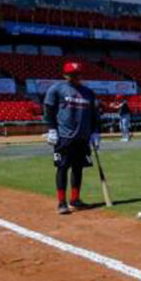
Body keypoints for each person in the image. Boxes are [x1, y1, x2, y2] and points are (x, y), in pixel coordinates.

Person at [44, 62, 101, 215]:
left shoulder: (89, 92)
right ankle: (61, 202)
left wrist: (96, 132)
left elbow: (95, 114)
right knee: (62, 168)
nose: (76, 77)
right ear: (65, 75)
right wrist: (51, 130)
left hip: (82, 138)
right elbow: (49, 110)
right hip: (64, 137)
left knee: (78, 169)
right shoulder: (57, 89)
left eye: (78, 74)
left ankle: (75, 199)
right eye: (72, 74)